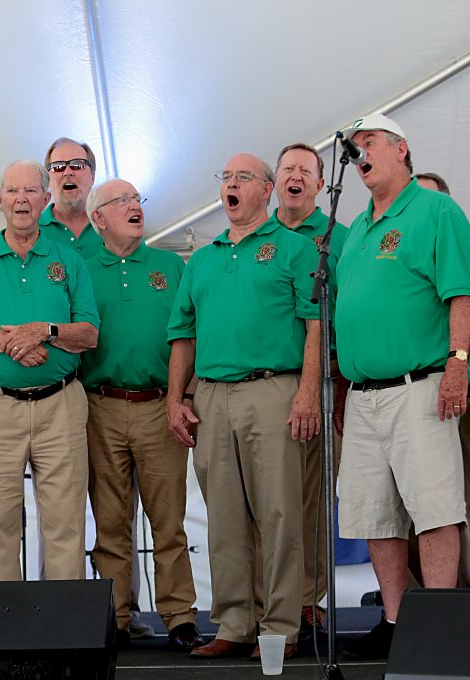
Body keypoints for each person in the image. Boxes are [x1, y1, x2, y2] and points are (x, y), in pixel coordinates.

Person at [334, 114, 470, 661]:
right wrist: (345, 386)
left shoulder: (436, 210)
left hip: (421, 385)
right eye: (355, 146)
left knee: (435, 507)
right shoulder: (356, 228)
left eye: (369, 142)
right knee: (375, 513)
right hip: (365, 393)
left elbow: (461, 293)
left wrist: (458, 363)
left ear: (402, 150)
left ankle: (438, 624)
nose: (359, 152)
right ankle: (395, 621)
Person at [167, 153, 320, 660]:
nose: (231, 184)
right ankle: (233, 623)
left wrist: (306, 394)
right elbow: (182, 333)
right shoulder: (204, 257)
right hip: (210, 394)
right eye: (226, 177)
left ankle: (279, 628)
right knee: (224, 516)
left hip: (273, 389)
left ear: (268, 190)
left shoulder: (294, 249)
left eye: (243, 178)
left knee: (279, 513)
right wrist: (176, 396)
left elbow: (316, 326)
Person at [0, 159, 99, 582]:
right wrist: (14, 343)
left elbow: (88, 334)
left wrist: (44, 331)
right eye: (13, 191)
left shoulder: (68, 261)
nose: (21, 200)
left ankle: (63, 637)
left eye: (31, 191)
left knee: (65, 524)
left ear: (46, 200)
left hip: (62, 406)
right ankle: (3, 635)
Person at [81, 178, 202, 651]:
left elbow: (190, 333)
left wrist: (185, 394)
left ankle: (180, 616)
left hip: (160, 407)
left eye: (137, 199)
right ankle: (116, 618)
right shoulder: (81, 268)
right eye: (122, 201)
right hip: (100, 407)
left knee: (168, 521)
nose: (135, 206)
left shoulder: (171, 266)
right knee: (110, 523)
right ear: (99, 219)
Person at [270, 142, 349, 639]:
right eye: (287, 168)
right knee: (270, 499)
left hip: (331, 379)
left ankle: (307, 598)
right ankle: (271, 597)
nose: (295, 176)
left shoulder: (343, 236)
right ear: (274, 181)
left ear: (321, 185)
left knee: (317, 495)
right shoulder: (254, 233)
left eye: (306, 170)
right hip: (269, 381)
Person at [411, 171, 470, 591]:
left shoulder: (467, 256)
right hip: (405, 393)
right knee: (406, 506)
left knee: (459, 501)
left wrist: (469, 372)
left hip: (458, 394)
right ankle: (407, 605)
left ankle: (458, 596)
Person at [39, 137, 103, 259]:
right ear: (48, 180)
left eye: (77, 165)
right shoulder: (31, 232)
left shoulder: (116, 226)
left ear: (92, 176)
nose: (67, 172)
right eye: (58, 167)